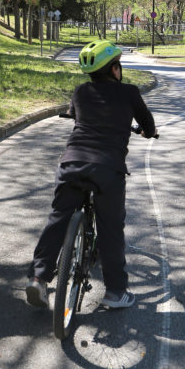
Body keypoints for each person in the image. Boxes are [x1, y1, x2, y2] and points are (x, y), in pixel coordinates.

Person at [26, 40, 157, 309]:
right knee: (110, 228)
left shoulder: (80, 92)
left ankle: (38, 278)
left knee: (58, 218)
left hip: (72, 163)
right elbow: (148, 123)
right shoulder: (129, 93)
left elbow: (74, 114)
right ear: (114, 70)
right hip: (108, 169)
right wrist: (146, 130)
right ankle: (115, 293)